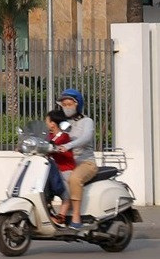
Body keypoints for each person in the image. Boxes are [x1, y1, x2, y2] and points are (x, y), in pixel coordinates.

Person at [54, 88, 97, 229]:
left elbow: (86, 138)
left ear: (77, 104)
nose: (66, 107)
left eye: (69, 104)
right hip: (70, 163)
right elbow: (55, 136)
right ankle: (60, 214)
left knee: (74, 179)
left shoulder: (87, 121)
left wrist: (68, 145)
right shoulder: (65, 123)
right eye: (64, 105)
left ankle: (76, 217)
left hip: (86, 163)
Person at [46, 109, 75, 225]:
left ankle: (62, 216)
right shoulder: (49, 136)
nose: (46, 123)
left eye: (47, 121)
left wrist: (53, 147)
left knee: (65, 194)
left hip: (65, 168)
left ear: (53, 123)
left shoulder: (64, 136)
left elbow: (55, 146)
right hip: (52, 168)